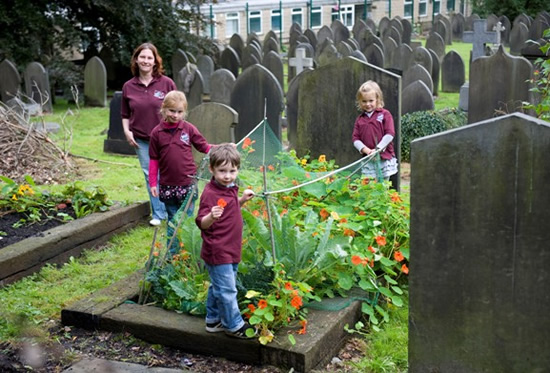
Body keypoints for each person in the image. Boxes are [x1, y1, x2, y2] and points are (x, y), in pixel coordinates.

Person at [195, 143, 256, 339]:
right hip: (218, 250)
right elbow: (202, 223)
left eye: (232, 170)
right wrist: (211, 217)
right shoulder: (210, 193)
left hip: (231, 248)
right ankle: (233, 324)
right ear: (212, 169)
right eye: (222, 171)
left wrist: (242, 200)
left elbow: (230, 207)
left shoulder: (228, 188)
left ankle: (213, 320)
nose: (228, 176)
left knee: (217, 286)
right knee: (228, 289)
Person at [149, 91, 212, 253]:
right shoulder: (157, 133)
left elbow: (204, 147)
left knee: (187, 219)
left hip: (187, 184)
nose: (175, 115)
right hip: (167, 186)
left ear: (184, 112)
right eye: (171, 111)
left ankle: (188, 251)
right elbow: (154, 160)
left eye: (179, 112)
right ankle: (173, 253)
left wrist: (223, 147)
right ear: (163, 109)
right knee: (172, 219)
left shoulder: (188, 129)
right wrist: (153, 183)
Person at [121, 42, 176, 226]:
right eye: (142, 57)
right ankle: (159, 214)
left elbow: (177, 109)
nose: (145, 61)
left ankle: (172, 212)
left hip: (166, 137)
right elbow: (125, 114)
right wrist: (127, 132)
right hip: (142, 140)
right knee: (150, 175)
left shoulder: (166, 83)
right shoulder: (129, 86)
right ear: (136, 60)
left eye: (149, 58)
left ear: (155, 61)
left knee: (168, 174)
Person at [352, 80, 398, 180]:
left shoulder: (385, 114)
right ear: (359, 102)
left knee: (383, 186)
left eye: (371, 101)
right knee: (370, 187)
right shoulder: (360, 120)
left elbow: (390, 134)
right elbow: (355, 139)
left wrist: (378, 148)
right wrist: (367, 151)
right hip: (369, 159)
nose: (368, 104)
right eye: (364, 101)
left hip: (383, 157)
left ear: (377, 99)